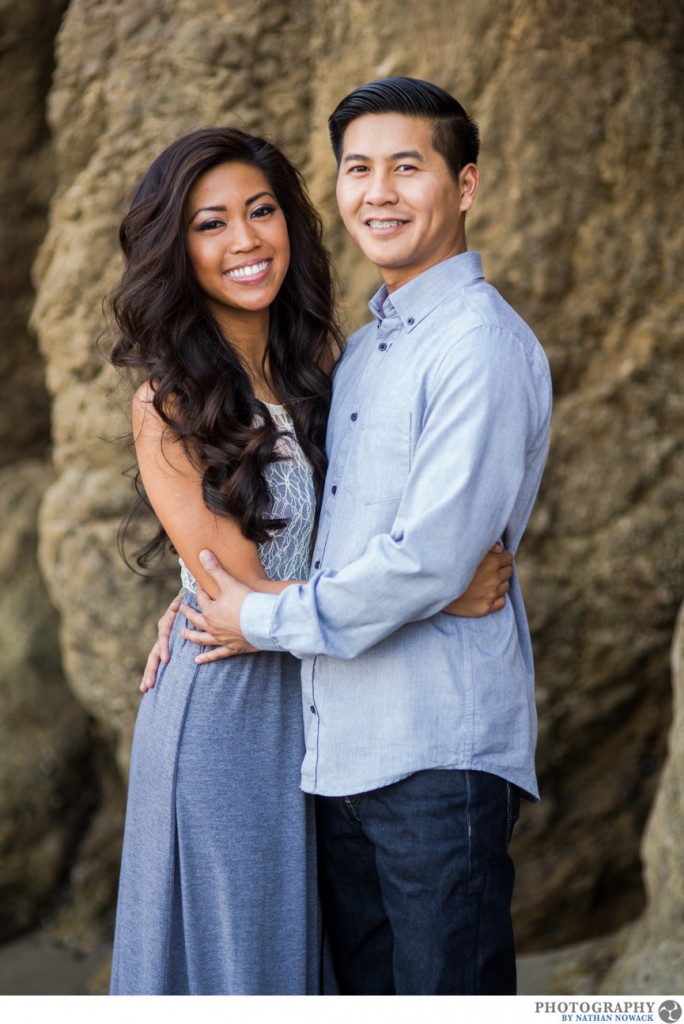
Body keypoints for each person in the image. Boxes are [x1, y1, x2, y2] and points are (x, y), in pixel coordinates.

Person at [108, 124, 511, 995]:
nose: (246, 240)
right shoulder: (168, 401)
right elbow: (239, 596)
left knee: (313, 967)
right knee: (249, 964)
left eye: (261, 210)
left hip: (328, 698)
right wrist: (440, 594)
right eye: (210, 224)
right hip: (230, 709)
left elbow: (330, 544)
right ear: (175, 251)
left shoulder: (319, 373)